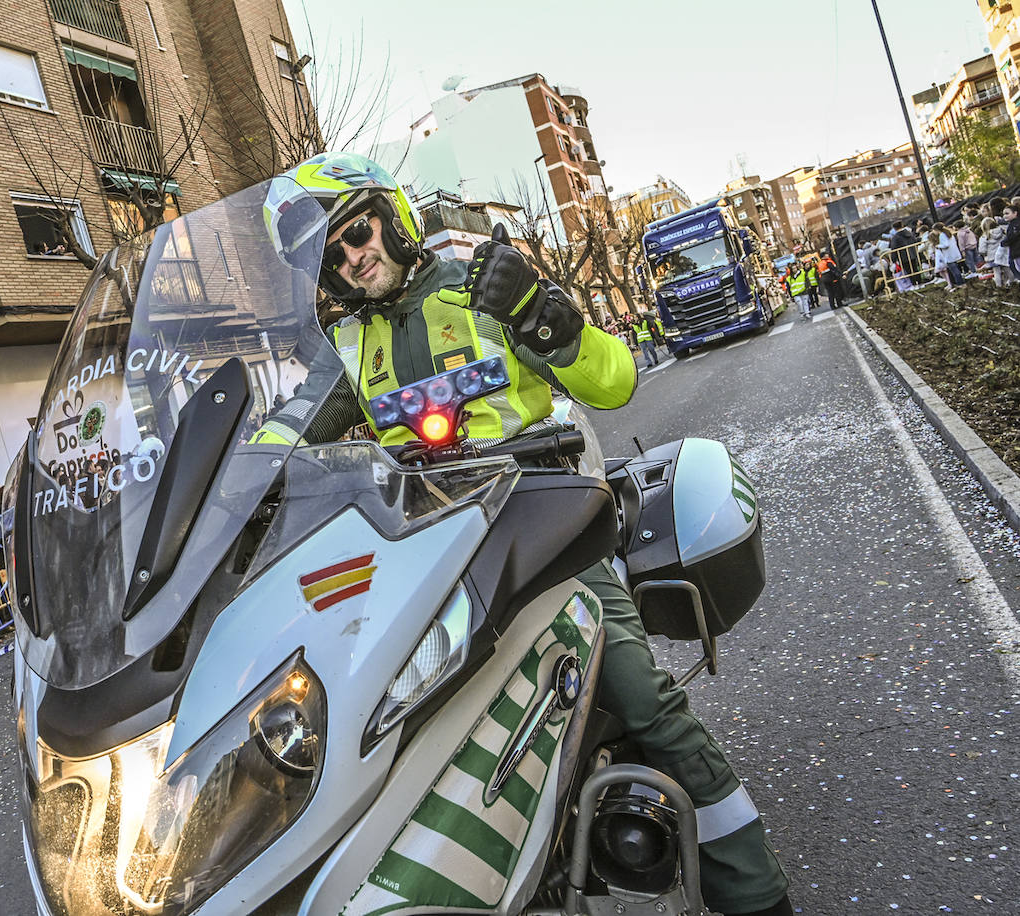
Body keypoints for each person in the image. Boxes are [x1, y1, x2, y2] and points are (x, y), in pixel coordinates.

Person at [257, 152, 791, 916]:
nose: (353, 257)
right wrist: (229, 484)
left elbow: (613, 381)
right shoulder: (346, 350)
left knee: (643, 700)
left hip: (544, 528)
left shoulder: (485, 287)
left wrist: (543, 311)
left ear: (392, 216)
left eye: (358, 232)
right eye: (333, 256)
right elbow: (284, 437)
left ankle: (758, 894)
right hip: (425, 556)